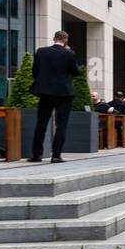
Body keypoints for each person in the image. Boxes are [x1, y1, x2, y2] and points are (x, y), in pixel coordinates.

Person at [29, 30, 80, 164]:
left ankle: (36, 155)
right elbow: (76, 72)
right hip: (63, 93)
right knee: (61, 124)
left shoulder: (41, 51)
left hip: (45, 93)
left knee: (41, 123)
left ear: (53, 38)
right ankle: (56, 156)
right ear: (66, 40)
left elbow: (35, 71)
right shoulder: (69, 53)